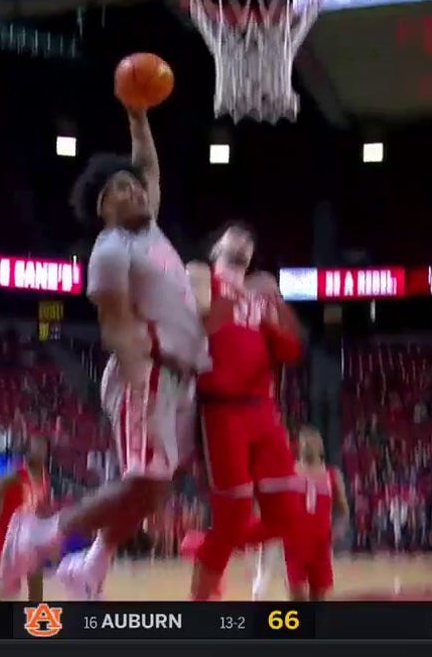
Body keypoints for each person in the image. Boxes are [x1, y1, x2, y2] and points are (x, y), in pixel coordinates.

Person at [0, 105, 209, 599]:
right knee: (143, 482)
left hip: (180, 376)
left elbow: (149, 166)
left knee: (156, 488)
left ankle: (91, 564)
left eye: (133, 185)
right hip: (149, 371)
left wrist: (138, 117)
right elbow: (114, 321)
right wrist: (139, 377)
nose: (133, 189)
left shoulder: (149, 229)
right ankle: (41, 534)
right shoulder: (112, 248)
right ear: (101, 206)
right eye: (119, 187)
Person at [185, 222, 308, 601]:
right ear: (216, 248)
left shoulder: (261, 293)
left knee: (288, 514)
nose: (243, 241)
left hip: (265, 413)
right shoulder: (201, 277)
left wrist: (275, 304)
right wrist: (238, 295)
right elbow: (201, 326)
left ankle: (204, 543)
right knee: (234, 516)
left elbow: (292, 349)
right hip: (222, 412)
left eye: (249, 241)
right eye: (233, 236)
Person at [0, 436, 51, 600]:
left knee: (36, 585)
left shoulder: (44, 477)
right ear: (27, 452)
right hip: (8, 541)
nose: (41, 451)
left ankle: (35, 623)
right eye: (36, 447)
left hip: (30, 540)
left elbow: (43, 509)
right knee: (7, 594)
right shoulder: (15, 475)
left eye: (43, 447)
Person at [287, 426, 347, 601]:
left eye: (311, 442)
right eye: (303, 442)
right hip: (294, 544)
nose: (306, 445)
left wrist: (338, 530)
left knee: (319, 598)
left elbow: (342, 510)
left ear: (320, 447)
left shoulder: (332, 475)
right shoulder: (290, 472)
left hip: (321, 545)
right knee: (297, 597)